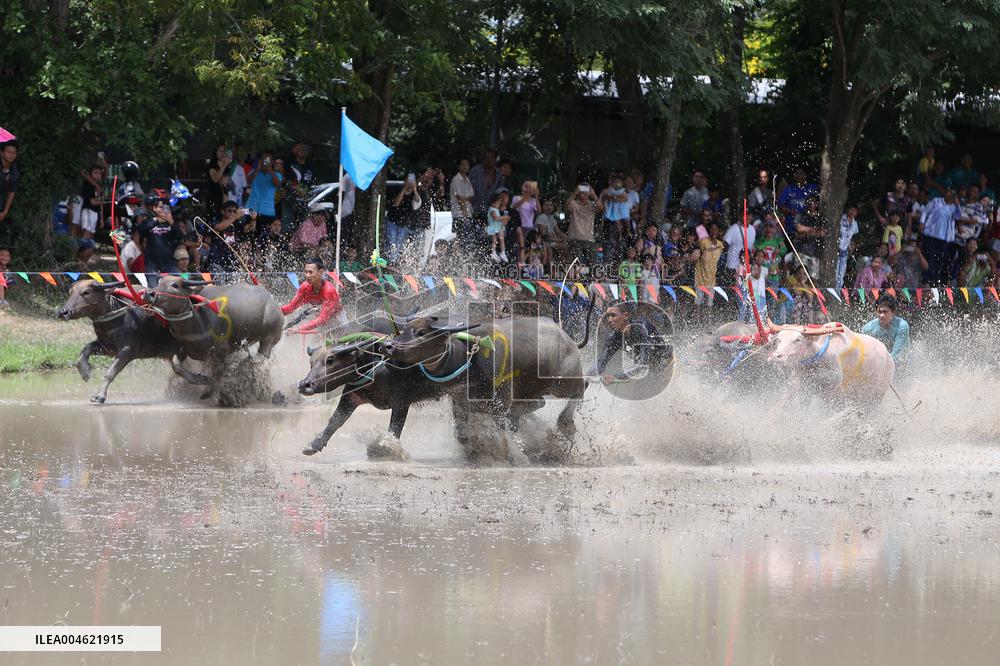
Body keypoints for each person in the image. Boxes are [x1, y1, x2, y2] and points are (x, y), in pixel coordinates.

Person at [589, 302, 673, 384]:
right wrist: (584, 376)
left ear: (625, 315)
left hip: (666, 362)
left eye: (613, 315)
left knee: (649, 385)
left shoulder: (643, 328)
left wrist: (616, 377)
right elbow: (600, 364)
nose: (610, 320)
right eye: (608, 316)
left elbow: (642, 365)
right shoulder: (615, 337)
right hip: (647, 367)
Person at [282, 258, 345, 335]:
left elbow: (323, 318)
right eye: (306, 272)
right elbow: (290, 308)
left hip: (337, 320)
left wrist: (298, 329)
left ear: (321, 272)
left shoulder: (329, 290)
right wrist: (273, 312)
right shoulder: (304, 287)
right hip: (320, 320)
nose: (307, 275)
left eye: (311, 272)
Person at [918, 188, 962, 285]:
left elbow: (958, 217)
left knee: (939, 260)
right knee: (929, 258)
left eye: (953, 193)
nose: (950, 194)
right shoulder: (936, 201)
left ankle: (934, 282)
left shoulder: (954, 207)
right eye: (949, 192)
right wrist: (922, 222)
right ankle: (926, 281)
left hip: (944, 239)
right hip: (931, 235)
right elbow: (926, 211)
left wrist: (957, 205)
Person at [139, 194, 183, 286]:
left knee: (178, 285)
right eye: (160, 207)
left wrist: (171, 222)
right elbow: (141, 230)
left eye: (165, 208)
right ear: (154, 208)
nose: (163, 210)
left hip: (168, 261)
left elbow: (180, 237)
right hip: (152, 263)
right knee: (153, 289)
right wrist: (157, 221)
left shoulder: (171, 223)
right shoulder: (148, 221)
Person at [206, 201, 257, 276]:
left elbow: (249, 228)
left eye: (234, 211)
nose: (232, 213)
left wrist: (253, 219)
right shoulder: (216, 220)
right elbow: (219, 227)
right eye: (229, 211)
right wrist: (236, 216)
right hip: (216, 261)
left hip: (231, 263)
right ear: (223, 212)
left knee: (232, 287)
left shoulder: (236, 224)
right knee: (219, 286)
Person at [861, 294, 910, 366]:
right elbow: (864, 352)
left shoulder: (902, 327)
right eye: (879, 312)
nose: (881, 315)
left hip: (902, 364)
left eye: (885, 312)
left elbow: (896, 355)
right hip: (880, 363)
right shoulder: (868, 328)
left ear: (893, 312)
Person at [387, 173, 424, 264]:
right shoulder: (398, 190)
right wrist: (404, 189)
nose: (410, 182)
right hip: (392, 221)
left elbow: (417, 204)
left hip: (404, 223)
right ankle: (391, 262)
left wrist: (414, 188)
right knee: (392, 242)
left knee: (399, 244)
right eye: (408, 180)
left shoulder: (415, 193)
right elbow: (396, 203)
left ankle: (396, 262)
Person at [245, 152, 283, 230]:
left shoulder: (277, 174)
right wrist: (258, 168)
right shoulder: (254, 172)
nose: (266, 161)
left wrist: (269, 169)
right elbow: (248, 181)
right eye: (264, 159)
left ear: (272, 162)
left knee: (263, 235)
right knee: (248, 231)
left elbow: (278, 184)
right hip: (250, 207)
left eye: (268, 160)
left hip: (267, 210)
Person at [777, 167, 819, 234]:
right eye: (797, 174)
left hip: (809, 222)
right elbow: (781, 205)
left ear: (805, 175)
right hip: (792, 224)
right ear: (794, 176)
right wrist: (792, 212)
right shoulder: (789, 189)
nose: (799, 176)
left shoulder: (811, 187)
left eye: (801, 173)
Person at [565, 183, 599, 267]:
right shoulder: (574, 203)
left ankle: (590, 278)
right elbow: (567, 206)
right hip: (575, 237)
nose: (584, 193)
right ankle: (576, 278)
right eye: (582, 191)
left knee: (592, 265)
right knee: (576, 264)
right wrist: (575, 193)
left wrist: (594, 195)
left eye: (586, 191)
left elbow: (601, 207)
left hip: (588, 238)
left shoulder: (592, 204)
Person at [450, 158, 476, 254]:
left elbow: (472, 197)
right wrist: (465, 212)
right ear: (458, 166)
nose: (465, 167)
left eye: (467, 165)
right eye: (463, 164)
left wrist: (465, 198)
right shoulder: (456, 179)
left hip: (468, 213)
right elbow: (460, 199)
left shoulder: (467, 179)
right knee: (463, 241)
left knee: (468, 241)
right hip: (460, 214)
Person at [512, 180, 540, 263]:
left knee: (536, 245)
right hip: (520, 227)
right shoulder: (517, 198)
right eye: (526, 186)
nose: (527, 188)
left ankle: (536, 263)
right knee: (521, 247)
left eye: (529, 187)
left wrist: (536, 197)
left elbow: (538, 211)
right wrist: (525, 198)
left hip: (530, 227)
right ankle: (520, 264)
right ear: (522, 187)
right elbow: (514, 206)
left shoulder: (533, 201)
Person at [468, 149, 499, 223]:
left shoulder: (498, 174)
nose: (489, 160)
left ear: (495, 159)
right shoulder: (475, 171)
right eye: (487, 157)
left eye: (491, 157)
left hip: (492, 212)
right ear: (483, 159)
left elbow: (500, 193)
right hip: (475, 209)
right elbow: (468, 189)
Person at [836, 205, 860, 289]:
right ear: (848, 209)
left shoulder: (855, 224)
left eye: (855, 211)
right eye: (851, 209)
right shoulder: (841, 219)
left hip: (845, 250)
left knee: (841, 274)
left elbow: (853, 237)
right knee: (835, 273)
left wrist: (851, 245)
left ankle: (838, 293)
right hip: (836, 248)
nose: (853, 212)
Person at [78, 164, 104, 240]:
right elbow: (93, 202)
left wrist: (101, 219)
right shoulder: (89, 186)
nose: (97, 175)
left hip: (95, 213)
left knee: (92, 235)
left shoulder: (99, 188)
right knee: (86, 233)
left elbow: (100, 205)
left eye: (99, 173)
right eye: (95, 173)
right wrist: (103, 202)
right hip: (88, 211)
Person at [0, 141, 19, 243]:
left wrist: (5, 211)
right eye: (8, 152)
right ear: (2, 153)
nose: (11, 155)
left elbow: (12, 191)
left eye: (14, 153)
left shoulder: (14, 169)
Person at [486, 190, 510, 263]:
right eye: (498, 203)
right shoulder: (492, 210)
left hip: (497, 227)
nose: (499, 205)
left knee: (501, 239)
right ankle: (493, 252)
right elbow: (496, 218)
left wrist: (503, 221)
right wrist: (503, 217)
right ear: (493, 203)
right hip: (493, 227)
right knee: (494, 240)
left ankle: (503, 253)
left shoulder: (496, 209)